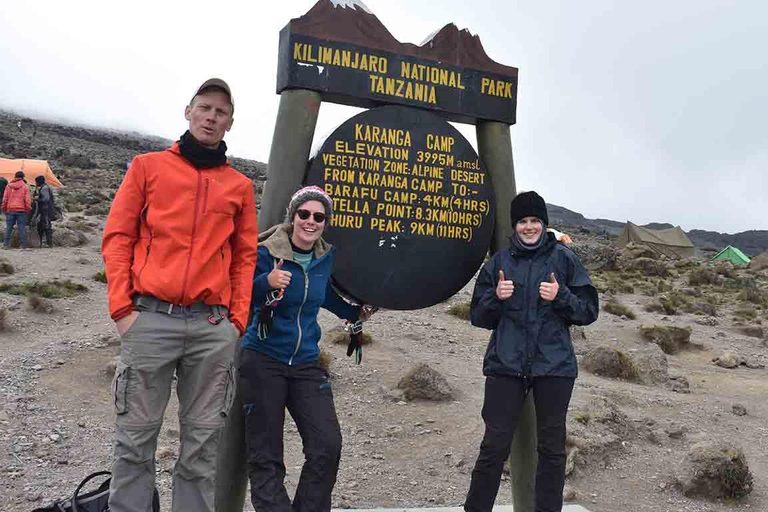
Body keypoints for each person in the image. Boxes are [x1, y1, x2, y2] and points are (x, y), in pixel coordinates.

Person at [101, 78, 258, 512]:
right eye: (204, 108)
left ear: (230, 123)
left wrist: (237, 322)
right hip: (149, 319)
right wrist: (122, 309)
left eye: (220, 112)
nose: (211, 117)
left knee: (202, 447)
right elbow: (117, 238)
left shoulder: (240, 187)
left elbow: (246, 258)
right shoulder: (147, 167)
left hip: (212, 327)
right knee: (135, 440)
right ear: (188, 112)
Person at [464, 191, 598, 512]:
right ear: (515, 225)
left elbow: (588, 311)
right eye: (522, 221)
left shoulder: (564, 260)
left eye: (534, 221)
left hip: (554, 368)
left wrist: (561, 295)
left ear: (544, 224)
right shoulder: (499, 262)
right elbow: (478, 317)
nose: (528, 227)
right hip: (505, 367)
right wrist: (496, 297)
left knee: (552, 451)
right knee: (493, 447)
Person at [239, 186, 369, 512]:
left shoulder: (324, 257)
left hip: (306, 363)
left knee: (327, 445)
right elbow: (238, 296)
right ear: (293, 216)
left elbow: (324, 294)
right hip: (262, 359)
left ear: (325, 222)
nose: (310, 221)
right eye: (304, 214)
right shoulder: (266, 252)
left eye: (319, 216)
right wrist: (264, 283)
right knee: (266, 455)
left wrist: (355, 313)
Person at [2, 171, 32, 249]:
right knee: (21, 227)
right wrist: (28, 209)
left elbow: (5, 199)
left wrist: (4, 208)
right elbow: (27, 200)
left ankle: (6, 244)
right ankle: (22, 245)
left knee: (9, 227)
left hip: (10, 210)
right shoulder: (25, 186)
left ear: (15, 177)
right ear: (23, 177)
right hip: (22, 210)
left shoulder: (8, 186)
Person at [32, 175, 55, 247]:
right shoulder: (45, 187)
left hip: (46, 210)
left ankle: (49, 243)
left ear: (38, 181)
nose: (35, 183)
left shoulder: (44, 188)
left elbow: (46, 199)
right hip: (45, 210)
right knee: (42, 225)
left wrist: (37, 199)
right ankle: (44, 242)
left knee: (46, 225)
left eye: (36, 182)